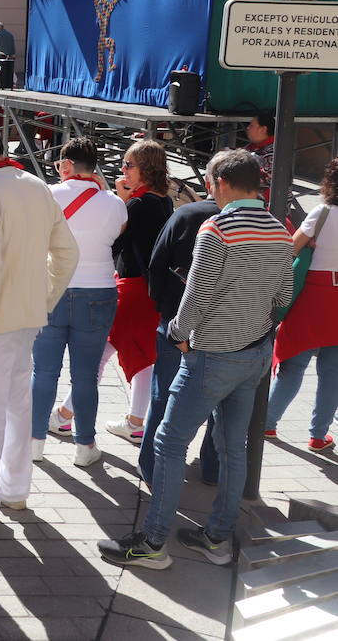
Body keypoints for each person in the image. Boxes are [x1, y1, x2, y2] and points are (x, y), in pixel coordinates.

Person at [100, 149, 292, 570]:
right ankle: (217, 539)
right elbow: (283, 299)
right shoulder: (279, 229)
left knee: (169, 443)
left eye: (209, 181)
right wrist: (257, 331)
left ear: (220, 183)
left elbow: (195, 297)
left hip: (210, 354)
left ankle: (152, 542)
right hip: (254, 354)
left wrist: (179, 337)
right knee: (232, 446)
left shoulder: (217, 228)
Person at [0, 125, 78, 522]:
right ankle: (14, 489)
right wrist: (43, 299)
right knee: (15, 406)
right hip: (26, 317)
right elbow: (68, 253)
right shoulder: (36, 185)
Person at [30, 138, 126, 468]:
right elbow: (117, 234)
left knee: (43, 372)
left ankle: (34, 442)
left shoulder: (47, 196)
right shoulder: (114, 203)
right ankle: (84, 445)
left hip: (52, 288)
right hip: (98, 292)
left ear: (66, 165)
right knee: (85, 376)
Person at [141, 163, 221, 487]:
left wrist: (163, 309)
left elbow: (156, 265)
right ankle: (212, 469)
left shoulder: (186, 215)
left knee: (163, 396)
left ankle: (151, 466)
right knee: (219, 402)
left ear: (208, 181)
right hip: (224, 332)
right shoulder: (261, 224)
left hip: (177, 322)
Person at [103, 139, 175, 445]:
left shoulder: (138, 204)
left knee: (100, 352)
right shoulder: (164, 200)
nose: (123, 170)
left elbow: (116, 242)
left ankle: (66, 415)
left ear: (145, 169)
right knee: (143, 355)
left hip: (131, 289)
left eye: (129, 165)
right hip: (150, 291)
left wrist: (122, 201)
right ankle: (134, 421)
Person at [267, 156, 338, 450]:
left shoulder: (322, 213)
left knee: (293, 366)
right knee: (333, 373)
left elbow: (290, 249)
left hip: (313, 295)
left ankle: (267, 423)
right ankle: (318, 435)